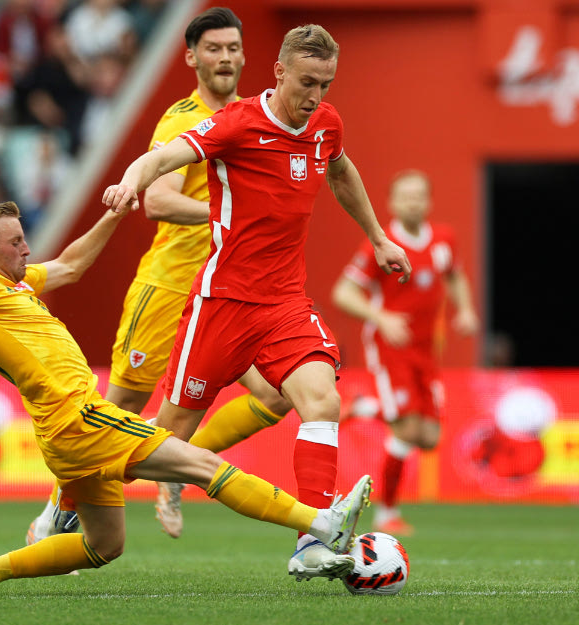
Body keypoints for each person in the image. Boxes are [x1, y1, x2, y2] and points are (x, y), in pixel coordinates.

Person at [0, 200, 372, 596]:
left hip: (62, 437)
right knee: (203, 466)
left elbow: (71, 266)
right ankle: (321, 523)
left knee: (104, 546)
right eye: (16, 242)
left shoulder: (13, 284)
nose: (27, 249)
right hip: (82, 417)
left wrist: (113, 215)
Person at [102, 24, 411, 582]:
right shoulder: (238, 123)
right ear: (279, 72)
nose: (315, 96)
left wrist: (379, 238)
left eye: (326, 84)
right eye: (307, 82)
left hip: (285, 301)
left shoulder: (325, 123)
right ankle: (71, 496)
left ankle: (312, 539)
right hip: (221, 303)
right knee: (166, 437)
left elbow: (340, 170)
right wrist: (129, 183)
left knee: (321, 402)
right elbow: (164, 159)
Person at [25, 6, 297, 548]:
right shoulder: (183, 120)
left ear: (246, 55)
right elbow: (157, 199)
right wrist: (230, 211)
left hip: (228, 290)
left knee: (274, 395)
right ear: (192, 57)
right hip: (170, 286)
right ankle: (62, 507)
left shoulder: (253, 116)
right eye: (214, 48)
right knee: (121, 406)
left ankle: (179, 474)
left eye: (233, 48)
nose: (225, 57)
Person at [331, 169, 479, 535]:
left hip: (427, 351)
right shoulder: (380, 246)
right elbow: (343, 293)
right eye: (405, 196)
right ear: (391, 203)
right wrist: (380, 317)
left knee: (429, 439)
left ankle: (366, 406)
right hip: (391, 347)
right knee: (406, 429)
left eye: (419, 196)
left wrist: (466, 309)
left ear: (429, 202)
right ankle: (387, 515)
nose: (413, 202)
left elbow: (455, 275)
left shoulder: (444, 240)